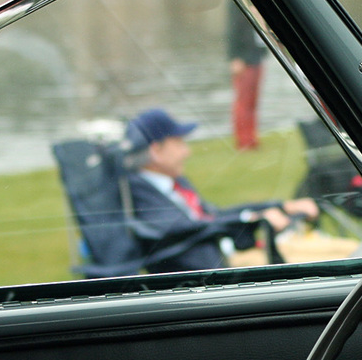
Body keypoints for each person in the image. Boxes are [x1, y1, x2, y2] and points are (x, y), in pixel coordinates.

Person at [125, 108, 316, 272]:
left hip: (226, 259)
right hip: (212, 277)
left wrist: (281, 206)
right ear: (156, 151)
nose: (187, 152)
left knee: (331, 254)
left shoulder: (174, 182)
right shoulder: (141, 195)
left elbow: (214, 215)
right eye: (178, 143)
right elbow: (187, 228)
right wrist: (250, 220)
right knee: (326, 262)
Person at [227, 10, 266, 150]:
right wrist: (235, 57)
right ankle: (244, 141)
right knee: (243, 102)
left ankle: (251, 138)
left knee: (253, 101)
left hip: (256, 56)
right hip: (243, 59)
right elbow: (232, 28)